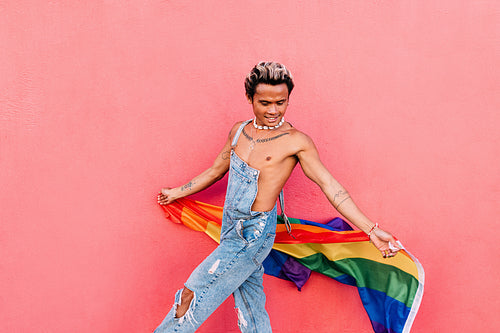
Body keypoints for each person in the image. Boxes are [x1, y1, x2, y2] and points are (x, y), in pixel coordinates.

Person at [155, 61, 400, 333]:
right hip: (230, 229)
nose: (273, 111)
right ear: (250, 98)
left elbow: (330, 186)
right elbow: (215, 171)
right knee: (250, 307)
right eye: (265, 103)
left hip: (254, 234)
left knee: (193, 293)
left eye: (280, 103)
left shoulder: (296, 142)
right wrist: (177, 192)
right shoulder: (238, 132)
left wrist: (371, 230)